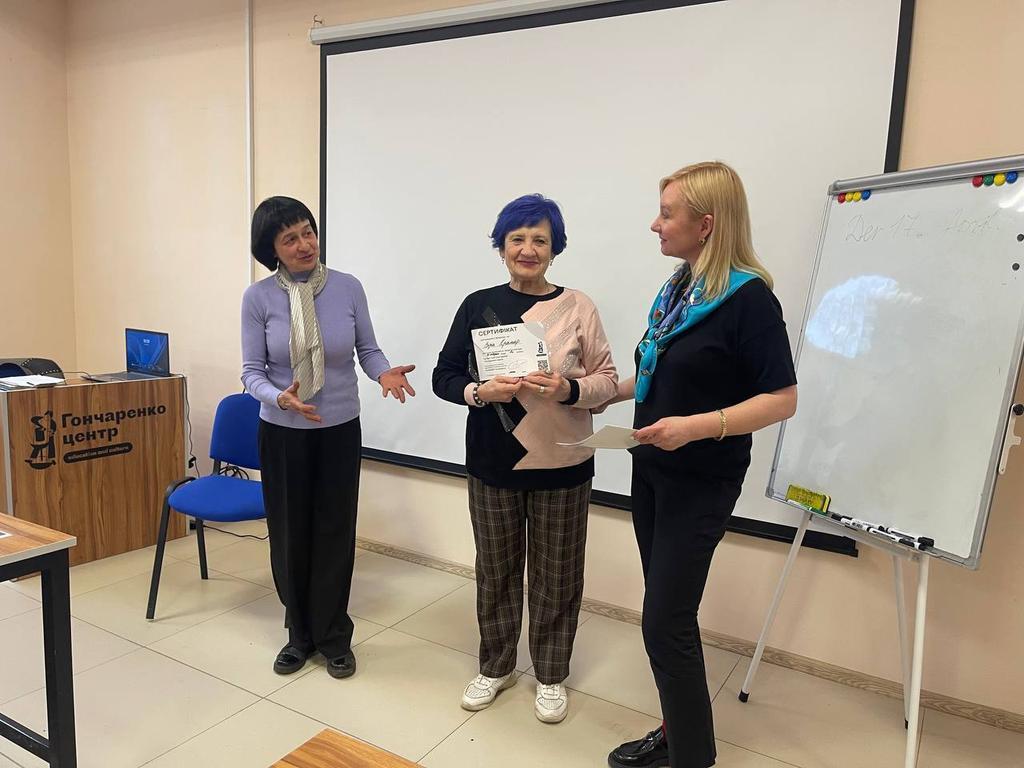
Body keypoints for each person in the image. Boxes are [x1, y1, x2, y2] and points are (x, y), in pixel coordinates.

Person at [604, 163, 797, 768]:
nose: (654, 224)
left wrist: (693, 427)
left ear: (706, 225)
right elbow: (658, 372)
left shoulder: (749, 299)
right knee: (667, 617)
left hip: (700, 482)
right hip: (651, 472)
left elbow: (782, 399)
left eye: (667, 213)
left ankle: (691, 756)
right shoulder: (679, 290)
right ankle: (681, 736)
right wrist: (596, 393)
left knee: (664, 623)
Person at [432, 194, 618, 723]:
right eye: (517, 239)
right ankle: (496, 666)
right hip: (493, 462)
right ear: (502, 247)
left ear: (555, 248)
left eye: (540, 239)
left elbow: (607, 382)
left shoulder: (578, 306)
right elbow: (444, 375)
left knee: (558, 575)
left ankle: (551, 675)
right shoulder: (478, 305)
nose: (528, 249)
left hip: (564, 463)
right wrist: (478, 392)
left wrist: (568, 389)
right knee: (496, 571)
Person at [241, 196, 415, 679]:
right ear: (272, 249)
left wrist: (384, 373)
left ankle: (334, 636)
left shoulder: (347, 287)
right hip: (283, 432)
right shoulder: (258, 299)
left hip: (339, 430)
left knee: (335, 534)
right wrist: (279, 398)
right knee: (290, 535)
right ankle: (299, 635)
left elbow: (368, 350)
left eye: (308, 232)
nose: (305, 244)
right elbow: (251, 372)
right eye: (290, 238)